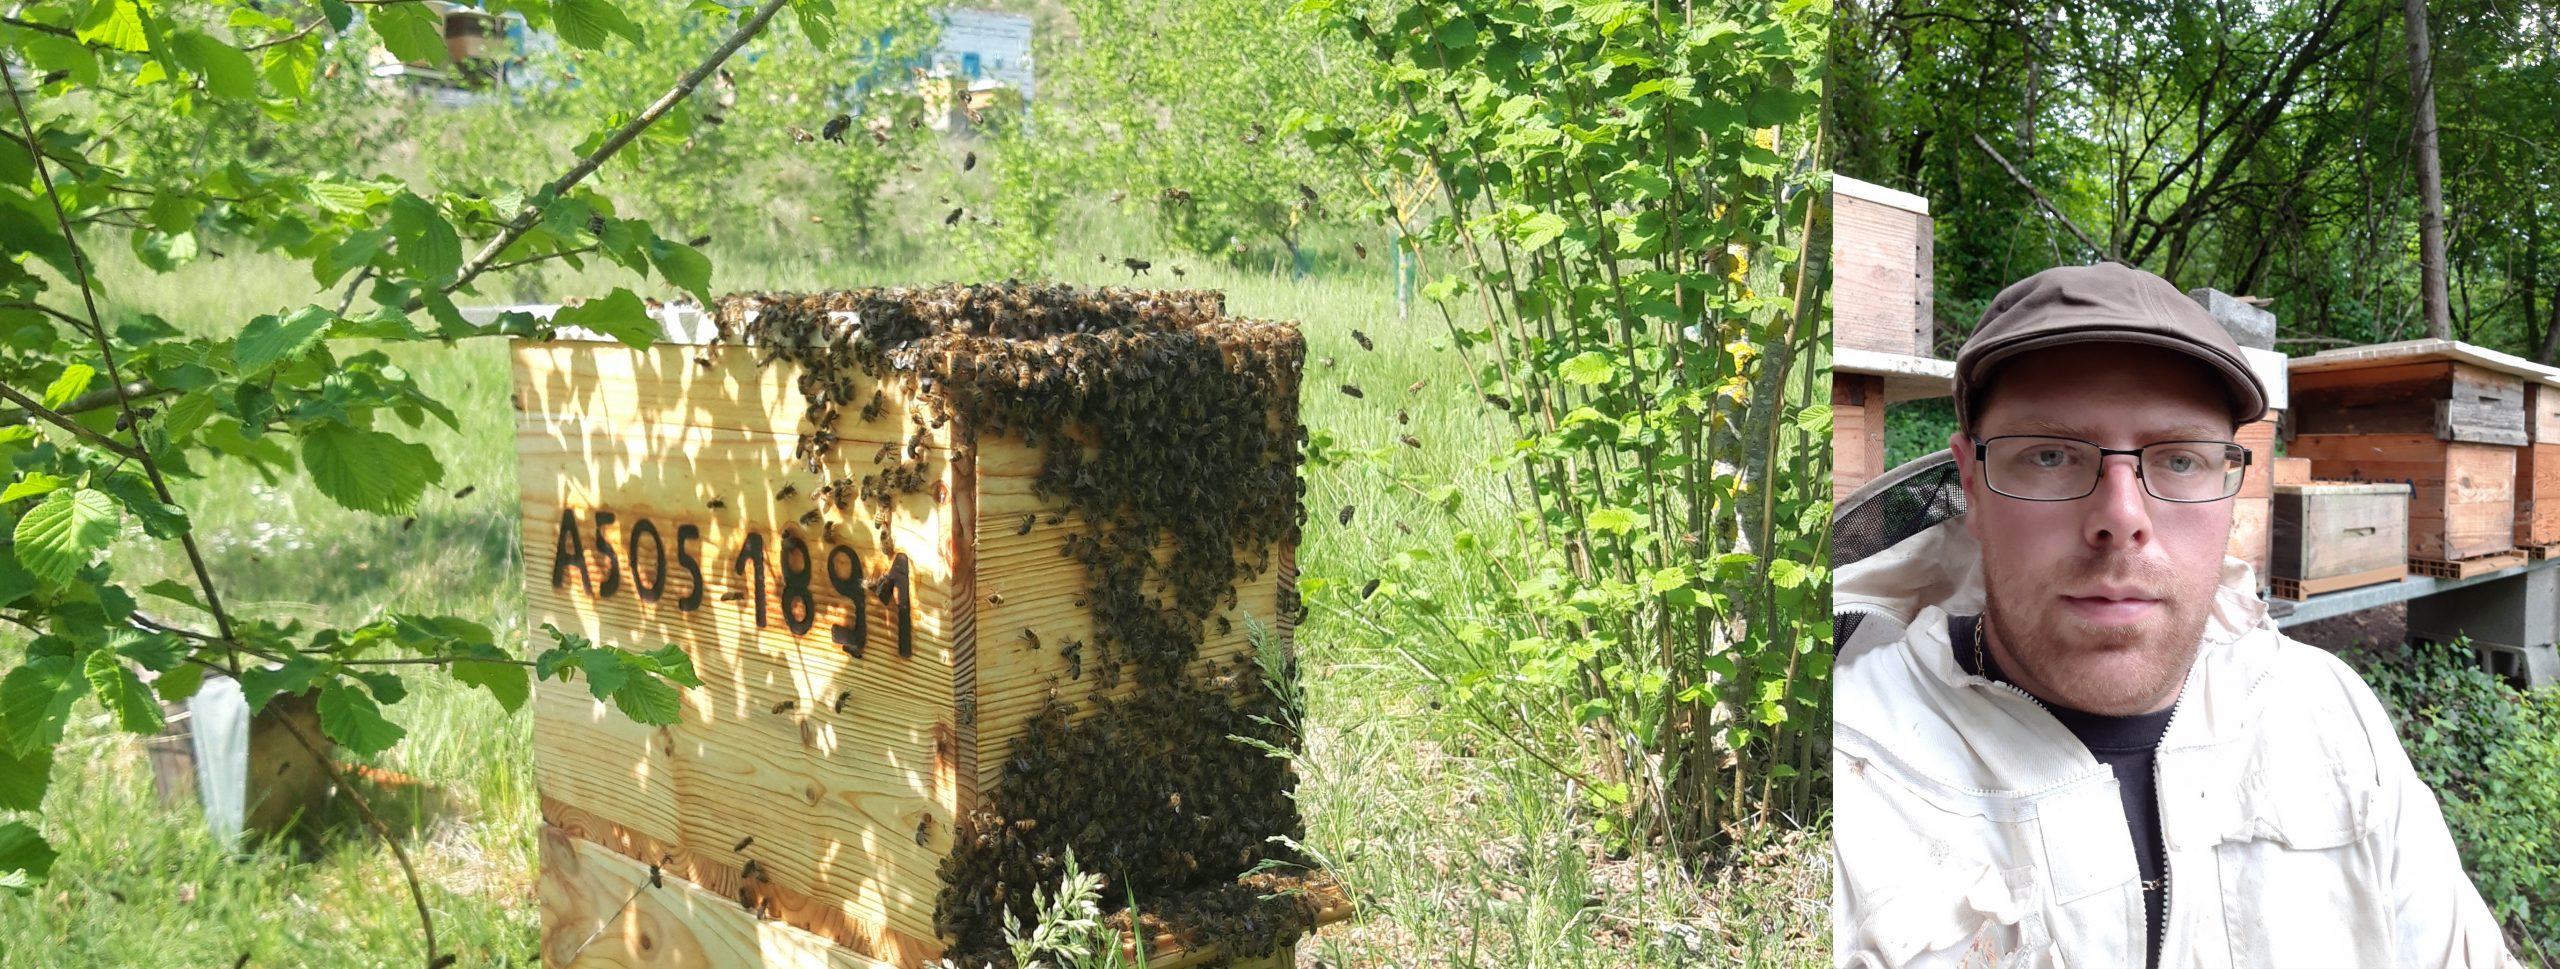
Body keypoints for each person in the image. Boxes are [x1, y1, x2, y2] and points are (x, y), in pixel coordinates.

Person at [1830, 262, 2520, 967]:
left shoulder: (2332, 714)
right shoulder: (1845, 767)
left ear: (2230, 489)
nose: (2121, 517)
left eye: (2180, 460)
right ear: (1971, 485)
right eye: (2050, 454)